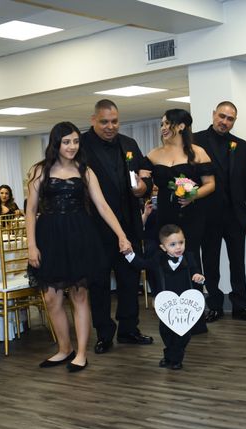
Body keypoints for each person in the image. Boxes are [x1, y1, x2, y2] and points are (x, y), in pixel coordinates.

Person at [27, 121, 132, 372]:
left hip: (80, 235)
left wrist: (121, 235)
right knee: (51, 298)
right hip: (49, 236)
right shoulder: (39, 171)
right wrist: (31, 245)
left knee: (79, 295)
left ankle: (81, 353)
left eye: (75, 141)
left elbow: (103, 206)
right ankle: (64, 349)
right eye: (66, 142)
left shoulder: (85, 171)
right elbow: (30, 211)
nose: (72, 146)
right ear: (56, 143)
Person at [80, 99, 154, 354]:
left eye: (114, 121)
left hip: (130, 225)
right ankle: (104, 333)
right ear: (93, 120)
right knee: (99, 284)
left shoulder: (129, 143)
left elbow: (144, 176)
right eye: (104, 122)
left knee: (129, 280)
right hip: (96, 229)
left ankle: (129, 329)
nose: (110, 127)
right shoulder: (81, 145)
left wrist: (144, 189)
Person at [143, 108, 215, 334]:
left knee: (191, 262)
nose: (163, 128)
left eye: (167, 123)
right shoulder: (154, 155)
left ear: (181, 126)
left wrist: (193, 195)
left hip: (192, 216)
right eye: (161, 124)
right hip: (165, 216)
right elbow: (141, 184)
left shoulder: (198, 152)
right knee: (166, 265)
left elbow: (210, 184)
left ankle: (195, 317)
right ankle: (172, 316)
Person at [193, 101, 246, 322]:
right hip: (207, 214)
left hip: (236, 214)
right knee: (210, 263)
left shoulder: (241, 145)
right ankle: (215, 306)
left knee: (238, 262)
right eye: (221, 116)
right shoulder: (195, 141)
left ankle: (241, 306)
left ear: (234, 121)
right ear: (213, 115)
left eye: (230, 119)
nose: (225, 122)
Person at [125, 224, 204, 370]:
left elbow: (195, 270)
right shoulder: (158, 259)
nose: (178, 247)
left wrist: (198, 276)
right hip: (167, 305)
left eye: (181, 242)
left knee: (183, 334)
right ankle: (169, 356)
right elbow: (143, 264)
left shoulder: (189, 257)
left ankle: (176, 359)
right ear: (163, 247)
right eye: (173, 244)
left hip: (184, 305)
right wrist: (129, 254)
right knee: (166, 331)